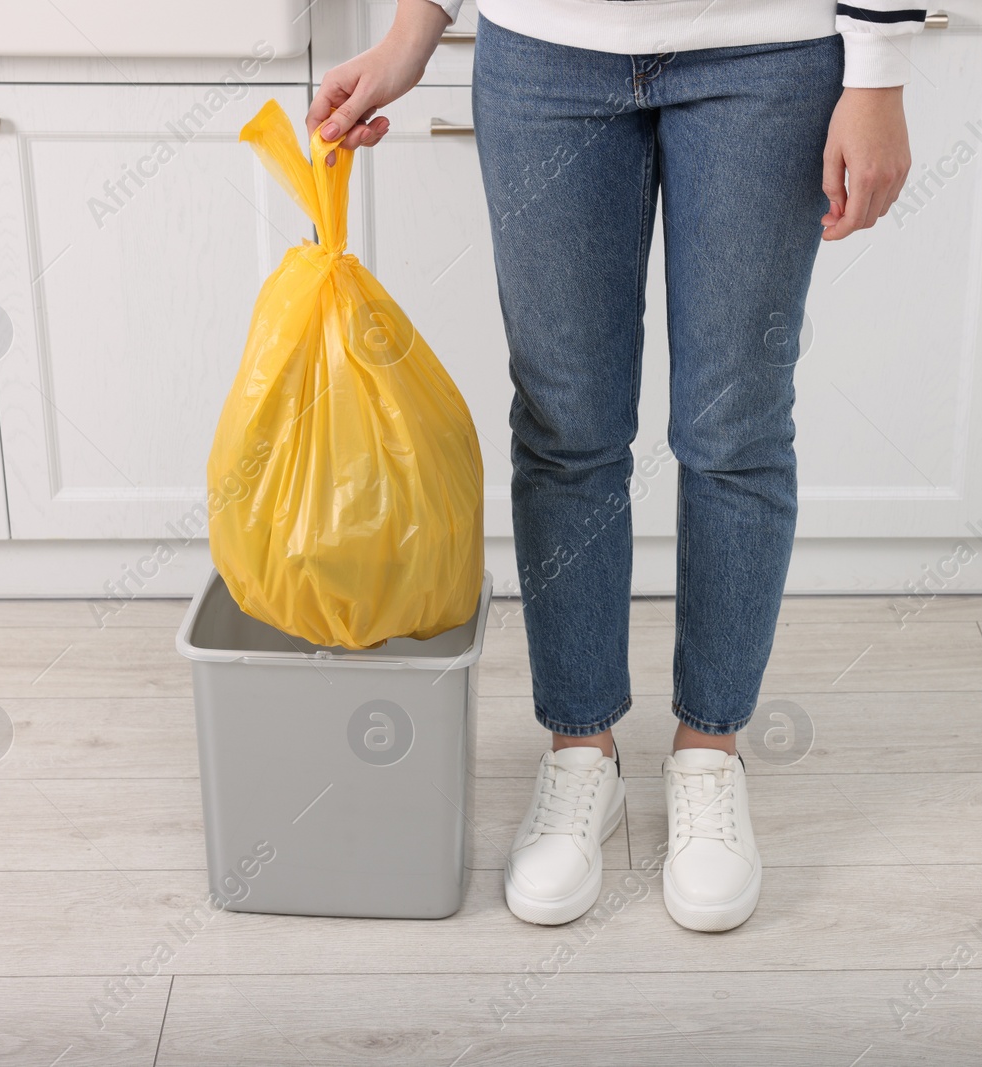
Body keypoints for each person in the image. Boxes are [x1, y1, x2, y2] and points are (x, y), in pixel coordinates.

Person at [309, 0, 921, 932]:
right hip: (545, 52)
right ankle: (579, 751)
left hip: (764, 53)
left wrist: (877, 67)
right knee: (564, 428)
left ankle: (708, 755)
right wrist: (416, 28)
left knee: (736, 432)